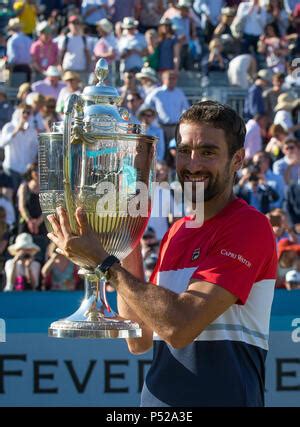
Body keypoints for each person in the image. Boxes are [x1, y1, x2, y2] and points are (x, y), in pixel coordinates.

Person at [47, 101, 277, 407]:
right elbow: (139, 338)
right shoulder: (176, 232)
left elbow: (179, 327)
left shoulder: (249, 227)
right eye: (184, 150)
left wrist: (104, 262)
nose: (192, 164)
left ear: (237, 159)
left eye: (207, 152)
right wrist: (124, 237)